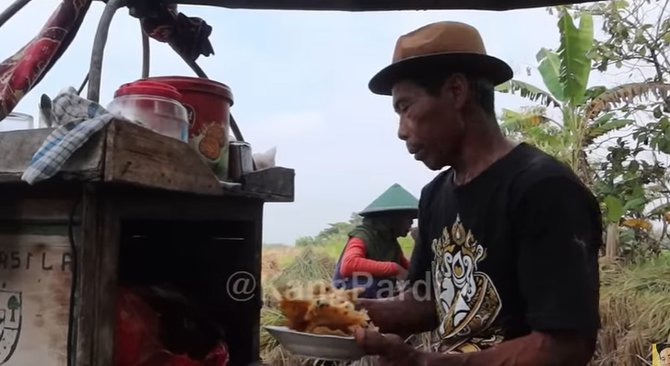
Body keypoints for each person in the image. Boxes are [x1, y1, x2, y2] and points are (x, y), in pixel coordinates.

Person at [352, 21, 603, 366]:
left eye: (406, 107)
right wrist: (348, 311)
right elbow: (429, 301)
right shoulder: (434, 196)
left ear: (456, 91)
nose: (400, 131)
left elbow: (565, 346)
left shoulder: (543, 190)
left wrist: (425, 362)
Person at [332, 183, 418, 298]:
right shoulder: (363, 235)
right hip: (349, 296)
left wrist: (419, 243)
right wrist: (394, 269)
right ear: (393, 219)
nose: (412, 223)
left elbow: (410, 271)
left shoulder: (391, 243)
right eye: (409, 219)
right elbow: (348, 264)